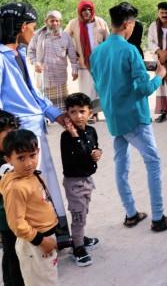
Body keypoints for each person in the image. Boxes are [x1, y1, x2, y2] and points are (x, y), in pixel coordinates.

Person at [90, 2, 167, 232]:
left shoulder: (97, 52)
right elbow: (144, 89)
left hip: (113, 115)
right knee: (153, 161)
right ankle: (158, 217)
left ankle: (131, 213)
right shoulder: (130, 50)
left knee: (121, 164)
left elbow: (100, 85)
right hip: (134, 115)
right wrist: (159, 75)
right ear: (128, 24)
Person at [0, 2, 71, 247]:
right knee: (26, 189)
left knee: (43, 183)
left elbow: (33, 92)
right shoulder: (1, 59)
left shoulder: (18, 54)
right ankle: (36, 241)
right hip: (18, 137)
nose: (34, 30)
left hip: (34, 130)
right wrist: (6, 138)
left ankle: (57, 233)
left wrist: (57, 114)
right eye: (32, 25)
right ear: (22, 27)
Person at [0, 130, 58, 286]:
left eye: (32, 155)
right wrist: (42, 241)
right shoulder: (16, 188)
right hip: (34, 243)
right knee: (43, 282)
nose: (28, 163)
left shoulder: (31, 175)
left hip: (44, 238)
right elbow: (17, 224)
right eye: (21, 158)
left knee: (48, 278)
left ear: (38, 152)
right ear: (8, 159)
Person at [60, 93, 101, 267]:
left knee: (83, 212)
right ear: (67, 114)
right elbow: (79, 155)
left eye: (82, 111)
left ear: (90, 112)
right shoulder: (66, 137)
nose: (78, 116)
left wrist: (98, 152)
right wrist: (75, 135)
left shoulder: (91, 131)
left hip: (87, 179)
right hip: (74, 183)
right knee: (78, 215)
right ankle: (77, 248)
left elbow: (94, 148)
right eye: (73, 112)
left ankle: (80, 237)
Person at [65, 0, 109, 123]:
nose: (87, 12)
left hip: (99, 62)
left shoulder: (100, 22)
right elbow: (65, 39)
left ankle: (95, 113)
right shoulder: (73, 23)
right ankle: (89, 113)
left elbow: (108, 40)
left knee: (99, 89)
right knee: (86, 90)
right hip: (83, 63)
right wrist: (73, 52)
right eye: (84, 10)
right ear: (80, 11)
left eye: (89, 9)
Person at [27, 10, 78, 111]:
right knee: (44, 106)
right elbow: (30, 51)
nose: (55, 23)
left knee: (62, 109)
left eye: (57, 21)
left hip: (60, 78)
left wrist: (75, 70)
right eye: (52, 21)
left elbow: (72, 55)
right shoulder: (37, 35)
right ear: (46, 21)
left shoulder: (65, 36)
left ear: (60, 22)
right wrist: (35, 63)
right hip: (43, 77)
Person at [0, 110, 23, 286]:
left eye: (13, 130)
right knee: (12, 251)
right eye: (6, 132)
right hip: (5, 217)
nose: (12, 136)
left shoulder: (12, 155)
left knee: (15, 250)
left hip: (17, 214)